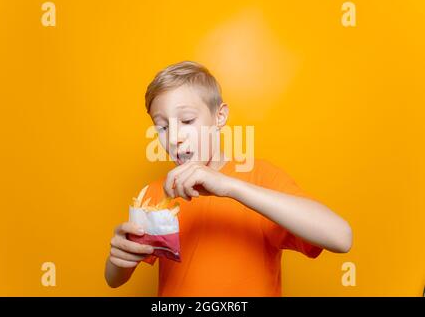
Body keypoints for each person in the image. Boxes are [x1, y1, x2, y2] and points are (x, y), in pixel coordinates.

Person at [104, 61, 353, 296]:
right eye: (162, 127)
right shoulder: (157, 193)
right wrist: (119, 258)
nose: (174, 137)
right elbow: (114, 280)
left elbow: (341, 237)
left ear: (219, 117)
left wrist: (229, 186)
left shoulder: (260, 177)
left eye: (187, 120)